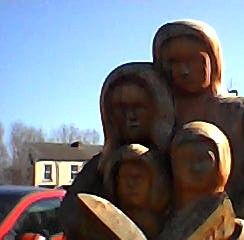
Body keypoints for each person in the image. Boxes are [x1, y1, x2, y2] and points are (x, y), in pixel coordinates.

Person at [153, 20, 244, 239]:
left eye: (194, 61)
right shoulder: (161, 122)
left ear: (214, 60)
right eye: (173, 62)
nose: (183, 70)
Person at [59, 63, 174, 240]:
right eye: (121, 109)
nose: (130, 116)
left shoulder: (174, 160)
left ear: (157, 108)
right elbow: (71, 214)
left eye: (139, 106)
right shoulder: (99, 167)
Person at [104, 144, 171, 239]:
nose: (130, 183)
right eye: (124, 177)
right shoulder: (105, 223)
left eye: (137, 177)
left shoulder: (171, 227)